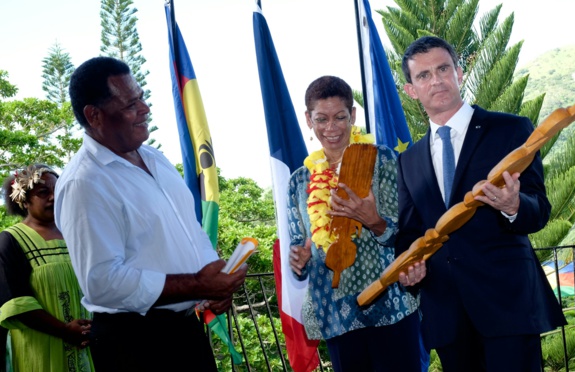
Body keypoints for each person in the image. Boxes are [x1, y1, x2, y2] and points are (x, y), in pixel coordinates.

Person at [54, 56, 247, 372]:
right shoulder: (84, 183)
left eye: (141, 97)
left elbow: (189, 231)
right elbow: (102, 282)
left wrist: (214, 282)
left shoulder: (154, 158)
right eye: (130, 104)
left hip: (185, 330)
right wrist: (199, 284)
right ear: (95, 115)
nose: (144, 109)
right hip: (135, 343)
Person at [395, 36, 567, 371]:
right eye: (424, 75)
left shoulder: (511, 130)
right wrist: (409, 270)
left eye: (443, 69)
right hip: (446, 316)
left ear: (459, 73)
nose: (437, 80)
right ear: (411, 90)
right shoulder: (409, 161)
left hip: (508, 307)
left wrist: (513, 205)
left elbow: (539, 209)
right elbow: (409, 233)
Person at [287, 75, 425, 372]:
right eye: (321, 119)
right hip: (335, 314)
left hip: (390, 306)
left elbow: (408, 233)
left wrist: (374, 221)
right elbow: (299, 242)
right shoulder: (299, 181)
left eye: (339, 117)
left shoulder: (384, 160)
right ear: (308, 120)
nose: (331, 128)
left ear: (353, 115)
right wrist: (300, 257)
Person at [0, 164, 94, 371]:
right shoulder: (11, 240)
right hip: (40, 349)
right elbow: (17, 302)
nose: (53, 197)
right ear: (23, 200)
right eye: (43, 192)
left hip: (88, 344)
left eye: (57, 191)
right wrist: (65, 331)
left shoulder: (75, 235)